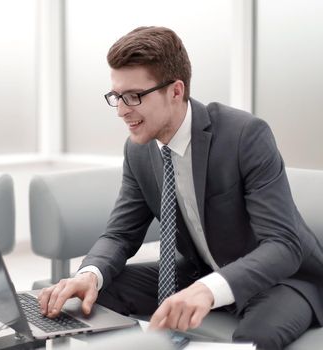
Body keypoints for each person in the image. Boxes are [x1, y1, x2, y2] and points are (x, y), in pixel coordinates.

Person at [37, 26, 323, 349]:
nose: (121, 110)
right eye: (116, 97)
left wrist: (210, 289)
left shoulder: (245, 136)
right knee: (91, 298)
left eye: (133, 97)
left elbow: (283, 245)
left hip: (281, 279)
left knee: (256, 338)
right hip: (198, 271)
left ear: (175, 91)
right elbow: (120, 235)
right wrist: (87, 275)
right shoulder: (139, 151)